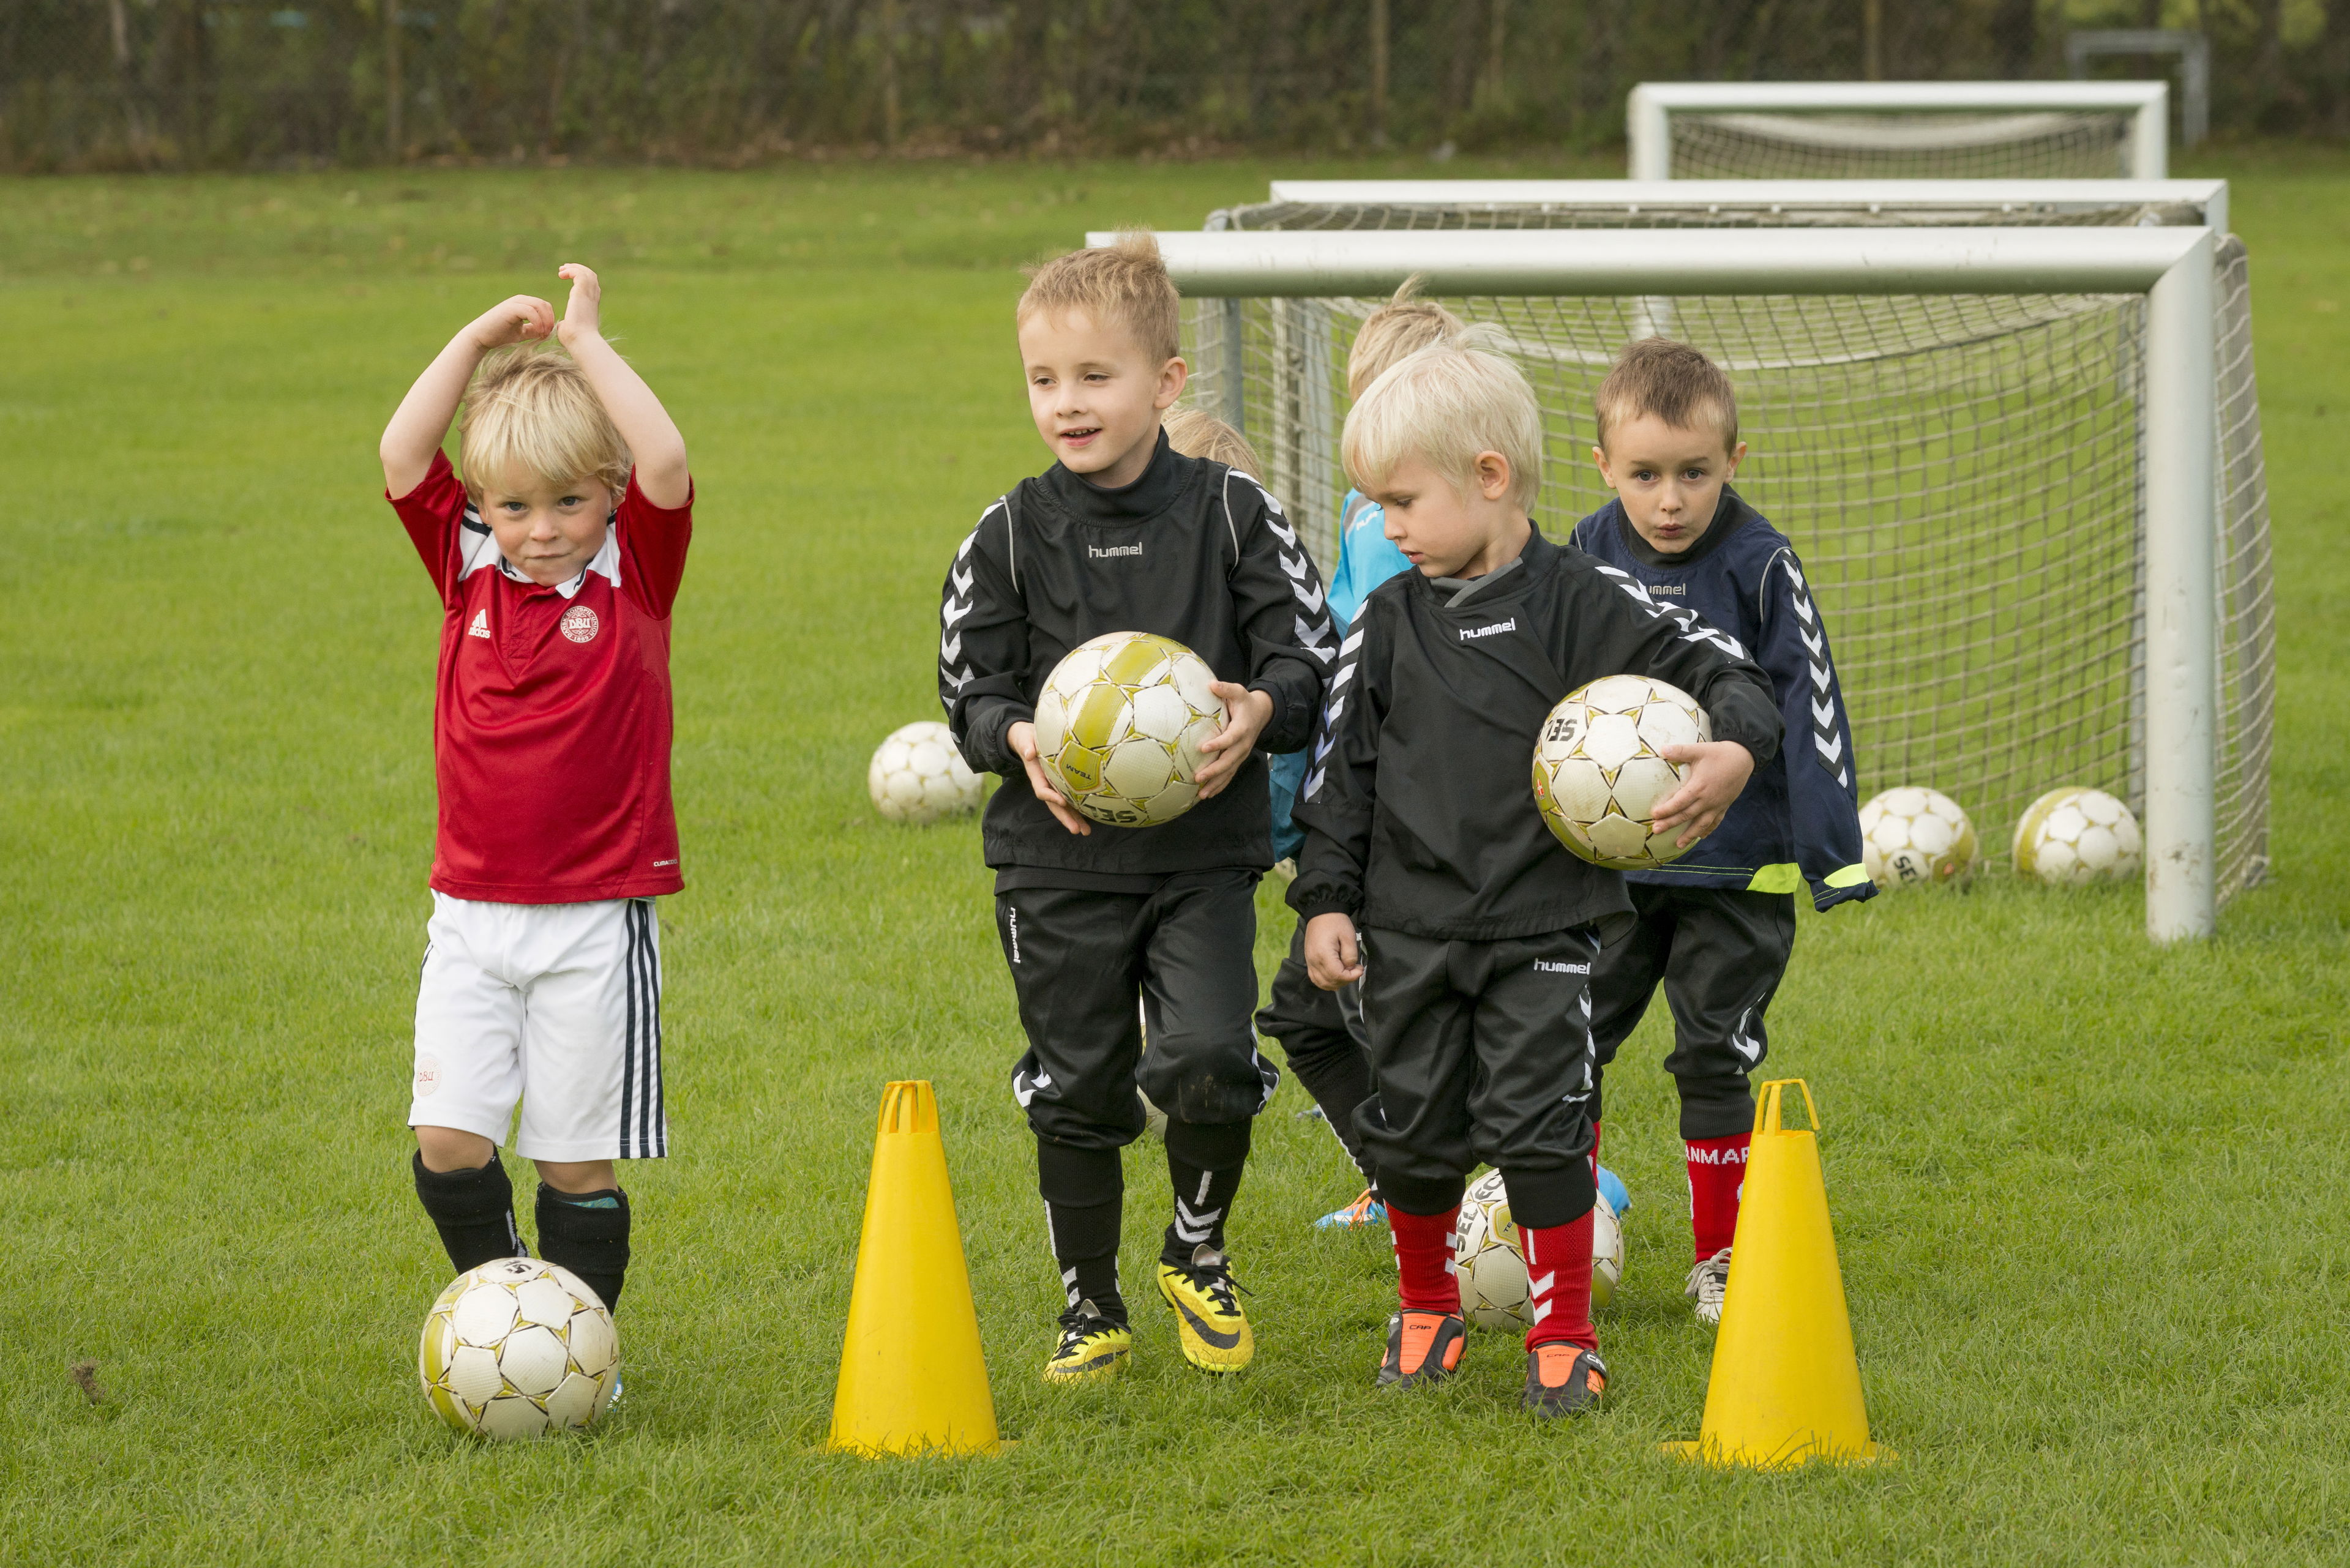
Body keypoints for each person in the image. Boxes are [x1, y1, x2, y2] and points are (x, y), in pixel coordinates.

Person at [1290, 342, 1780, 1416]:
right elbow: (1339, 779)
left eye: (1402, 501)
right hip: (1408, 929)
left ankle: (1565, 1335)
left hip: (1547, 928)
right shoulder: (1387, 622)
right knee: (1412, 1133)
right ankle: (1428, 1308)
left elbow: (1722, 668)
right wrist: (1325, 898)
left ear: (1491, 476)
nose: (1386, 525)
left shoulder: (1583, 599)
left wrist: (1738, 747)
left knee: (1544, 1128)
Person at [938, 235, 1333, 1384]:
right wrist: (1018, 738)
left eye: (1094, 377)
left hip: (1202, 854)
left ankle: (1197, 1250)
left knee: (1208, 1054)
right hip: (1053, 861)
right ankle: (1090, 1305)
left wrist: (1261, 708)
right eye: (1043, 379)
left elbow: (1309, 656)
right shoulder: (1008, 532)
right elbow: (969, 687)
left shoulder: (1234, 514)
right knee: (1079, 1083)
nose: (1066, 403)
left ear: (1166, 382)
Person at [378, 264, 694, 1320]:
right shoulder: (466, 563)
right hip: (469, 914)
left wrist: (587, 344)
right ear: (482, 505)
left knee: (573, 1164)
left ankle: (581, 1347)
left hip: (593, 919)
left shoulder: (635, 571)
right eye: (514, 505)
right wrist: (473, 343)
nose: (543, 528)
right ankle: (504, 1313)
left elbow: (666, 459)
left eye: (569, 501)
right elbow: (402, 453)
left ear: (608, 493)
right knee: (448, 1144)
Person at [1569, 338, 1874, 1325]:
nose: (1669, 501)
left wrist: (1831, 856)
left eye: (1694, 474)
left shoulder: (1761, 562)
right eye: (1646, 475)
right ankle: (1560, 1237)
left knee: (1712, 1054)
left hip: (1738, 872)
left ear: (1734, 461)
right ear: (1604, 465)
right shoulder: (1583, 551)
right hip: (1612, 869)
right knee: (1566, 1041)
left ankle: (1721, 1257)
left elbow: (1811, 698)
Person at [1254, 281, 1460, 1233]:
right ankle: (1413, 1184)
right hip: (1354, 821)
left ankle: (1463, 1191)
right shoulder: (1361, 512)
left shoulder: (1396, 533)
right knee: (1311, 1013)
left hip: (1390, 832)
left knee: (1374, 1022)